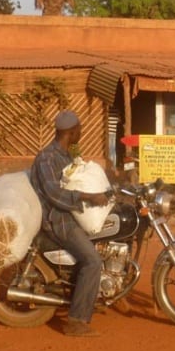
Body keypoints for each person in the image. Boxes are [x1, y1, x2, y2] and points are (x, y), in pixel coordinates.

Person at [29, 110, 109, 337]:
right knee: (93, 261)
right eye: (79, 131)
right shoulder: (47, 158)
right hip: (59, 220)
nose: (81, 134)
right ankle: (75, 322)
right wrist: (88, 197)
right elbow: (54, 194)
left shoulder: (67, 155)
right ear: (70, 132)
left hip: (70, 216)